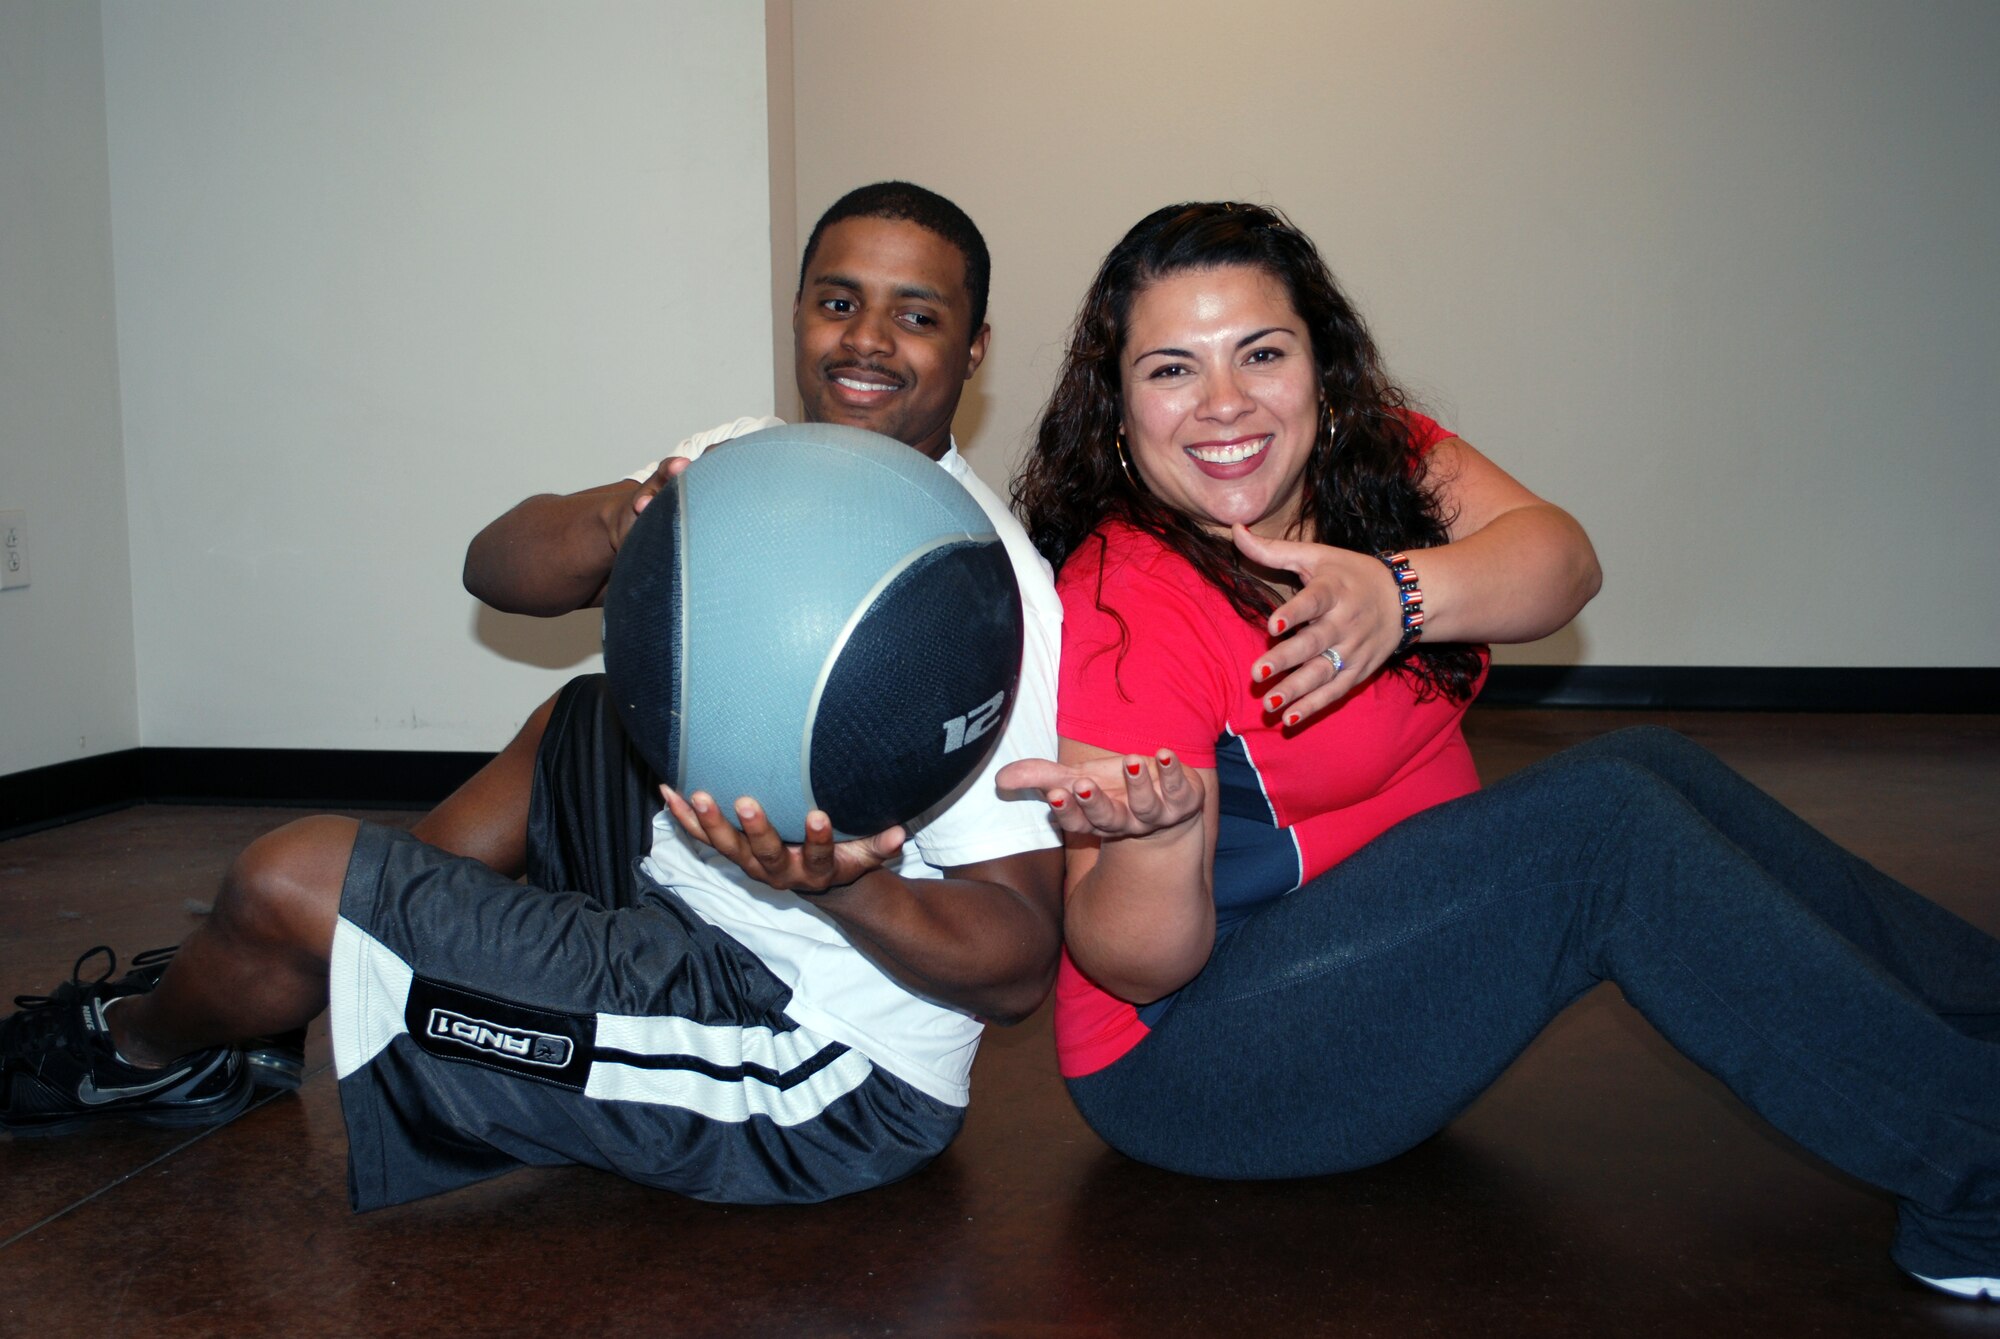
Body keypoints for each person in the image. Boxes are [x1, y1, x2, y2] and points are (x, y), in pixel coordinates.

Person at [995, 201, 2000, 1300]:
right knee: (1601, 833)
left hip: (1370, 960)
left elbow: (1560, 562)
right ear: (1118, 404)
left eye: (1261, 353)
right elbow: (1131, 966)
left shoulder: (1373, 463)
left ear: (1321, 369)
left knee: (1647, 763)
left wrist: (1401, 591)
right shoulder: (1126, 600)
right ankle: (1977, 1178)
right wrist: (1159, 841)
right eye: (1172, 370)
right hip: (1195, 1064)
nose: (1223, 404)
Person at [0, 182, 1065, 1212]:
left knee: (289, 879)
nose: (866, 340)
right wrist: (621, 522)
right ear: (797, 313)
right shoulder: (751, 462)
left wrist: (835, 885)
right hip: (694, 901)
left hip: (814, 1068)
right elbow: (492, 568)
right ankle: (325, 957)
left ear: (970, 350)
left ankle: (138, 1050)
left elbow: (1016, 959)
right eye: (838, 302)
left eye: (914, 316)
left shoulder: (981, 589)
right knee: (589, 715)